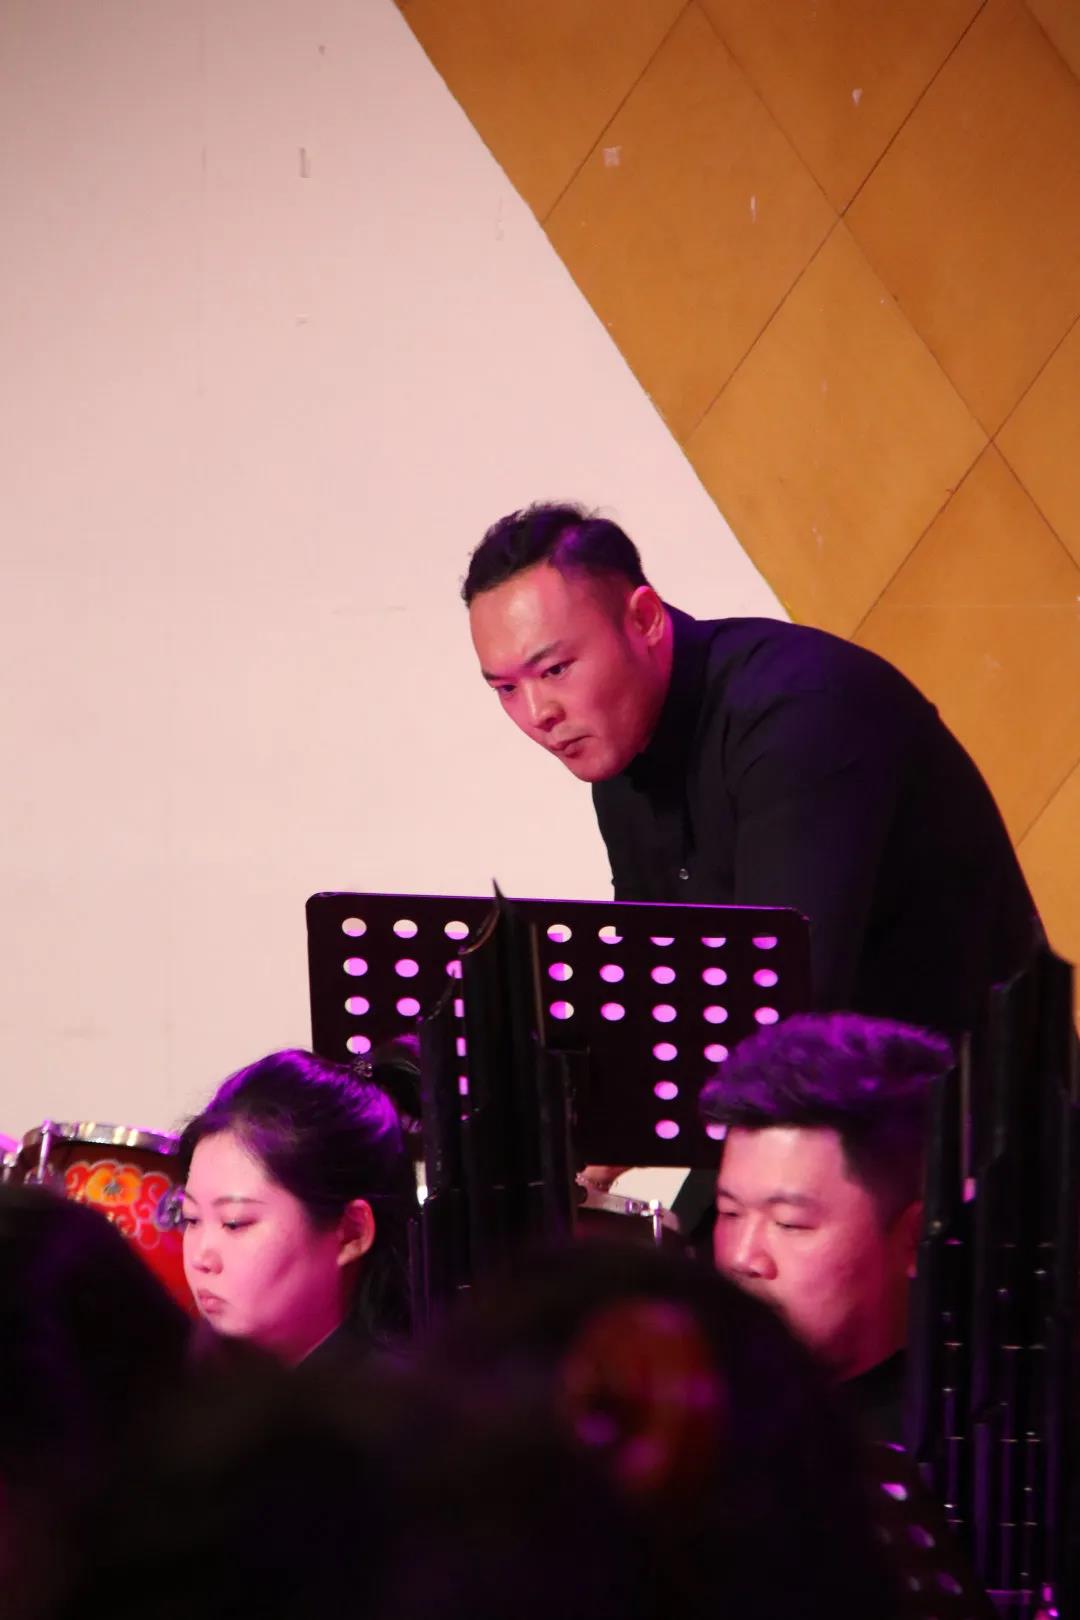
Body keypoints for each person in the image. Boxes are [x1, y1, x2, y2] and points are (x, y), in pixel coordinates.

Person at [464, 502, 1039, 1041]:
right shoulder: (619, 744)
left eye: (556, 669)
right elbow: (657, 983)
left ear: (644, 619)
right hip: (834, 1098)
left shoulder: (800, 710)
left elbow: (783, 1012)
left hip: (964, 1101)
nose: (538, 714)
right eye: (507, 689)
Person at [699, 1011, 952, 1441]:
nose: (741, 1257)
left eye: (789, 1224)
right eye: (730, 1212)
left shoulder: (966, 1447)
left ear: (916, 1237)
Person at [178, 1048, 414, 1365]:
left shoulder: (399, 1393)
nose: (200, 1259)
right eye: (191, 1219)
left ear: (351, 1232)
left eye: (234, 1223)